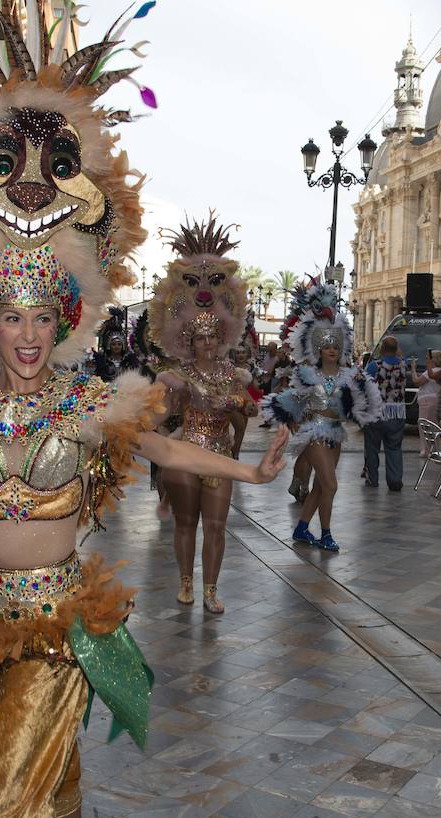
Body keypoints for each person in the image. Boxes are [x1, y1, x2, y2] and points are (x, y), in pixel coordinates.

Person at [0, 10, 288, 818]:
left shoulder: (85, 403)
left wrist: (248, 473)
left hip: (62, 619)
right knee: (38, 744)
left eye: (40, 318)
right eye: (10, 318)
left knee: (3, 763)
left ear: (64, 320)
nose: (27, 335)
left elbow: (165, 443)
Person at [150, 216, 258, 613]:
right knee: (186, 523)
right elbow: (157, 417)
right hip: (185, 454)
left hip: (220, 455)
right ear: (189, 341)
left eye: (213, 337)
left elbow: (251, 407)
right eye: (200, 338)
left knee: (216, 526)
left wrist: (235, 404)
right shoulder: (177, 376)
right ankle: (186, 582)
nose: (208, 343)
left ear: (222, 337)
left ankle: (211, 590)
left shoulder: (234, 375)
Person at [265, 279, 382, 552]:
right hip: (314, 433)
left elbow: (362, 404)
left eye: (335, 346)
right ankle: (326, 533)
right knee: (331, 485)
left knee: (321, 486)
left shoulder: (349, 375)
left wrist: (361, 396)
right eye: (327, 345)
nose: (332, 349)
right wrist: (294, 421)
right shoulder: (307, 374)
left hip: (336, 433)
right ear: (319, 349)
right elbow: (291, 402)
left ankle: (302, 528)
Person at [363, 335, 408, 491]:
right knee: (394, 447)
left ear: (382, 348)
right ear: (396, 349)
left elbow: (363, 385)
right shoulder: (403, 365)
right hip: (397, 413)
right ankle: (395, 480)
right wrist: (397, 352)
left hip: (376, 412)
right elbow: (402, 357)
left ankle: (372, 479)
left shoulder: (374, 366)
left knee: (372, 447)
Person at [411, 350, 441, 456]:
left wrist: (413, 369)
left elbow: (417, 381)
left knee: (424, 426)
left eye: (427, 358)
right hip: (438, 399)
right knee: (436, 426)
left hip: (426, 401)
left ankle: (426, 450)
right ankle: (436, 448)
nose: (426, 360)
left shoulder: (430, 372)